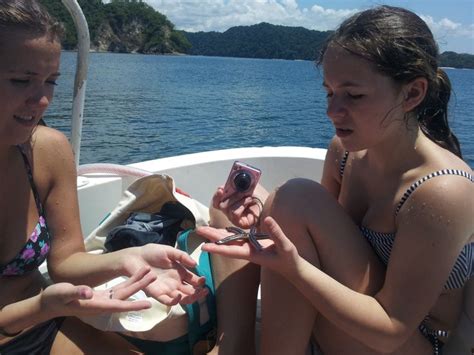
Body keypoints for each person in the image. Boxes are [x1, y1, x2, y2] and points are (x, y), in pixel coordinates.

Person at [198, 5, 473, 355]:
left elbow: (392, 329)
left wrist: (295, 270)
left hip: (408, 340)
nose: (332, 111)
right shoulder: (344, 153)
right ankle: (232, 345)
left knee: (295, 197)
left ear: (412, 94)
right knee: (236, 211)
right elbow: (306, 235)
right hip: (352, 321)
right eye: (329, 92)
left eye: (353, 95)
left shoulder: (441, 191)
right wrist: (264, 220)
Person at [0, 1, 207, 353]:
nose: (43, 100)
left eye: (51, 81)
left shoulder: (47, 151)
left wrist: (129, 261)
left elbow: (65, 263)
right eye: (22, 80)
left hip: (40, 323)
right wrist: (44, 305)